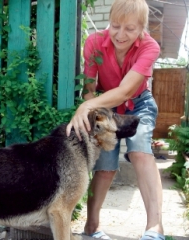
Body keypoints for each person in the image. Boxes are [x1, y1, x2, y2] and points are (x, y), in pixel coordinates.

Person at [66, 0, 165, 239]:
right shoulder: (94, 42)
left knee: (141, 149)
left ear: (142, 27)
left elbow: (126, 92)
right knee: (106, 166)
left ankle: (155, 227)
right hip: (105, 105)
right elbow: (88, 89)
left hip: (137, 103)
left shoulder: (150, 47)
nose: (120, 34)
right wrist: (93, 106)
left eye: (130, 29)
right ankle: (92, 227)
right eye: (115, 26)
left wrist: (88, 105)